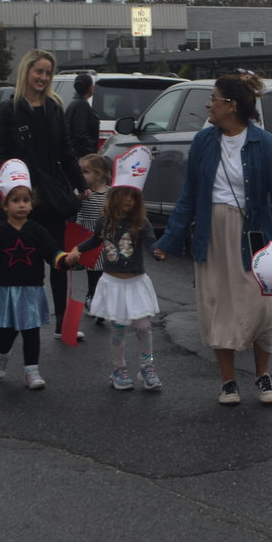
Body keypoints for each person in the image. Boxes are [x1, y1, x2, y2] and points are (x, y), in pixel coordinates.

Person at [154, 73, 272, 405]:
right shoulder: (203, 142)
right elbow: (188, 196)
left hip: (253, 233)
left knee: (261, 307)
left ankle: (262, 374)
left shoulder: (264, 143)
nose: (208, 105)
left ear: (232, 105)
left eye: (213, 99)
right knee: (217, 305)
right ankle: (228, 381)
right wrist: (168, 240)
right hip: (211, 232)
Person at [0, 49, 90, 342]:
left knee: (59, 261)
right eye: (38, 71)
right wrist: (2, 196)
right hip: (21, 199)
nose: (43, 77)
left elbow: (66, 151)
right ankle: (17, 324)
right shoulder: (8, 109)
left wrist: (81, 184)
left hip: (52, 195)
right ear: (26, 72)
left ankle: (63, 325)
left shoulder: (55, 107)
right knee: (22, 267)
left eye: (47, 73)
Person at [66, 148, 166, 391]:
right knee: (119, 327)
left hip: (136, 282)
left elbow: (152, 243)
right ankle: (118, 369)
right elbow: (94, 241)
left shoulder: (141, 222)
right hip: (113, 282)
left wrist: (157, 252)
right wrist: (76, 250)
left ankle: (147, 367)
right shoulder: (104, 222)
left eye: (133, 198)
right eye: (124, 197)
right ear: (114, 198)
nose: (128, 202)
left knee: (143, 327)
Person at [0, 159, 68, 390]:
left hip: (32, 289)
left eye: (26, 200)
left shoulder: (38, 230)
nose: (21, 205)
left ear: (32, 204)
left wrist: (64, 259)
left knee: (31, 331)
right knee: (7, 332)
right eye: (16, 200)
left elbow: (52, 252)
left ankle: (32, 371)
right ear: (5, 205)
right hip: (6, 289)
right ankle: (2, 354)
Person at [75, 153, 113, 327]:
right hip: (83, 233)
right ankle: (93, 298)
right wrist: (79, 199)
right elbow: (71, 206)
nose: (81, 175)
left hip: (101, 235)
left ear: (99, 174)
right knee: (93, 270)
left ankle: (94, 299)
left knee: (99, 270)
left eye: (86, 171)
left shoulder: (111, 193)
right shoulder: (81, 192)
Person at [64, 73, 99, 158]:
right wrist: (90, 154)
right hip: (82, 156)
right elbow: (80, 134)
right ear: (91, 88)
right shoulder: (82, 105)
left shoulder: (73, 104)